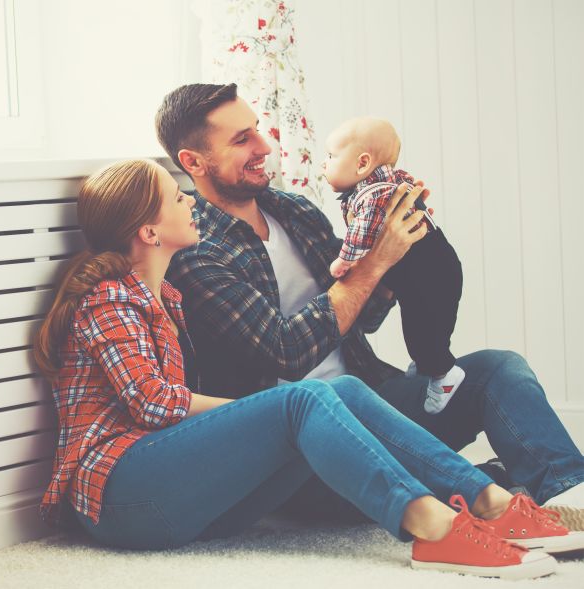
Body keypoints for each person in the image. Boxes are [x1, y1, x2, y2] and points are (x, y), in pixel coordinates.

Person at [32, 158, 581, 580]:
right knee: (304, 399)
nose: (190, 203)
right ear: (149, 232)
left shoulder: (167, 296)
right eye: (177, 198)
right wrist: (262, 417)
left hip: (175, 500)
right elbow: (153, 403)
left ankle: (492, 504)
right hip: (114, 492)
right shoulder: (108, 299)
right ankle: (435, 527)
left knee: (336, 389)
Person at [156, 82, 584, 532]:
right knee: (352, 415)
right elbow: (286, 352)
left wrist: (406, 250)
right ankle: (487, 488)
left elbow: (366, 317)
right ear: (193, 162)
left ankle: (569, 494)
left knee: (498, 369)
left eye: (257, 130)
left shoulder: (293, 211)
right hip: (307, 447)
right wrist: (377, 260)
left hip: (372, 398)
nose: (265, 146)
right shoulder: (194, 249)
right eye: (242, 139)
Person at [323, 117, 463, 414]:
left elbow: (360, 234)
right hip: (436, 266)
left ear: (362, 164)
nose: (324, 163)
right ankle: (430, 365)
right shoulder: (395, 181)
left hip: (424, 272)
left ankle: (442, 374)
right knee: (428, 324)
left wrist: (344, 260)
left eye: (331, 156)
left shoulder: (371, 195)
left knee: (423, 330)